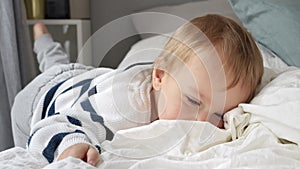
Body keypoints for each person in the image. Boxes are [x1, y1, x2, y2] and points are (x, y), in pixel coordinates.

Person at [11, 14, 263, 166]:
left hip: (85, 79)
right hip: (41, 97)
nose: (201, 122)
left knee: (57, 62)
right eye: (193, 101)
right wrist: (70, 145)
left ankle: (44, 41)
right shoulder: (124, 108)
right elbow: (51, 126)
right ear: (159, 78)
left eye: (219, 115)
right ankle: (42, 38)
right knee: (52, 69)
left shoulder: (178, 81)